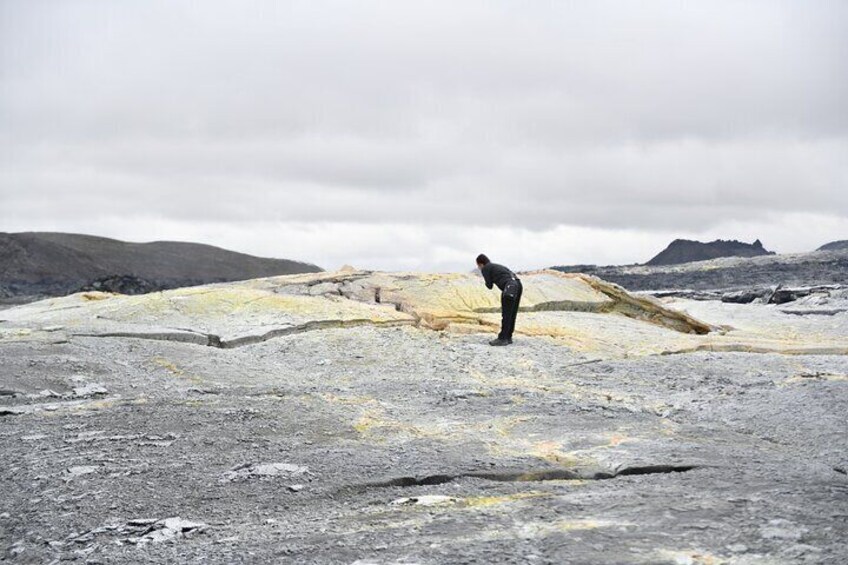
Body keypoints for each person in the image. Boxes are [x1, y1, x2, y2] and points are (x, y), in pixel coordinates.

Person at [476, 254, 523, 346]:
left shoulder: (486, 268)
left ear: (481, 264)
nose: (478, 268)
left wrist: (487, 277)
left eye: (478, 266)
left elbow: (489, 286)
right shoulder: (497, 266)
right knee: (512, 313)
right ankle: (508, 337)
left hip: (509, 286)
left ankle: (502, 338)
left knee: (506, 314)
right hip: (518, 284)